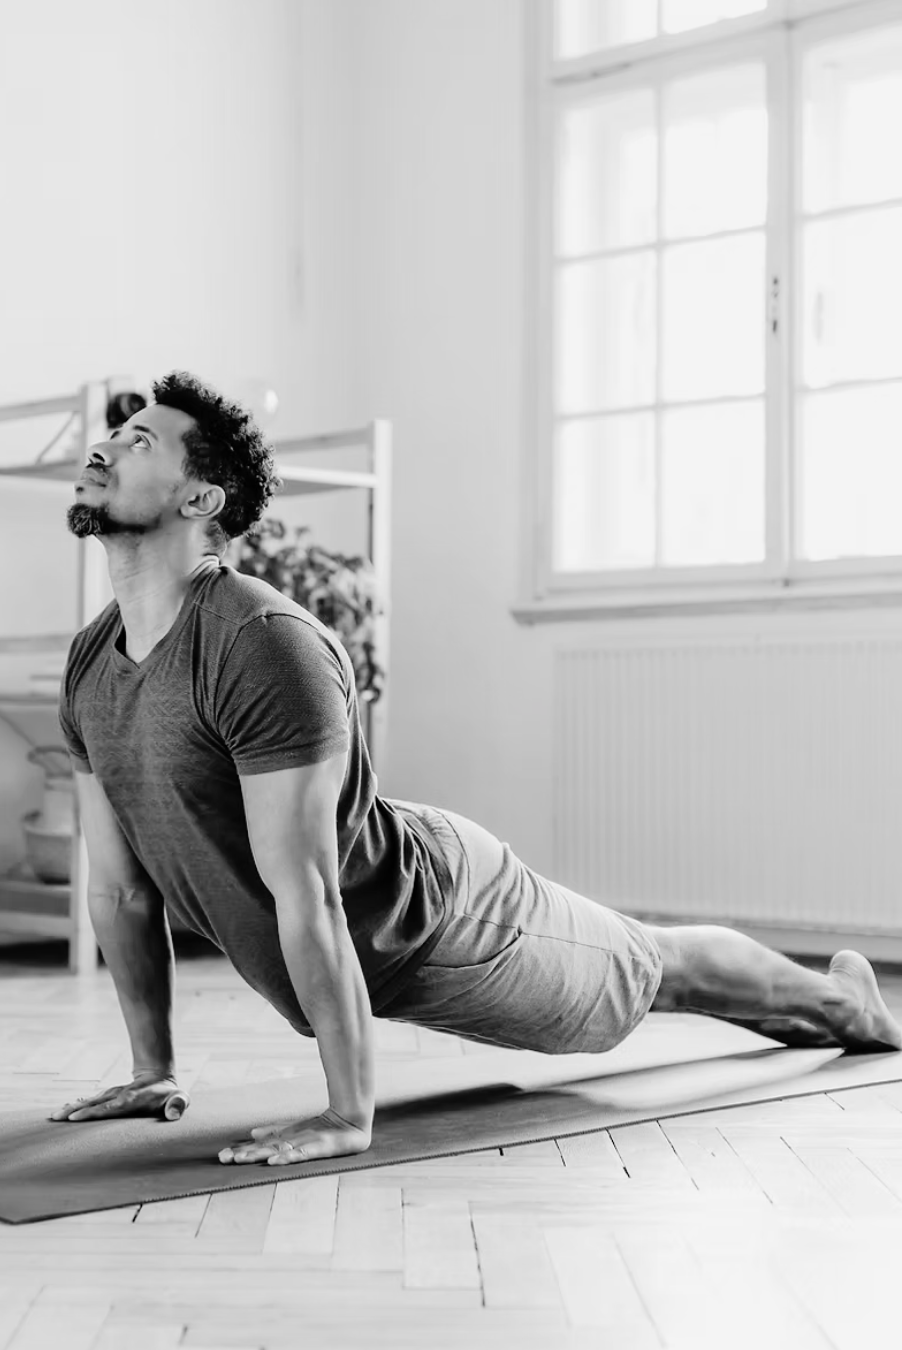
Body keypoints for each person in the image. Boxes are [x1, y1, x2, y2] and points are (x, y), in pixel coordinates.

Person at [49, 369, 902, 1168]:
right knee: (652, 971)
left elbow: (307, 892)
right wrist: (152, 1068)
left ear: (202, 499)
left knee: (644, 974)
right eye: (117, 433)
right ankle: (810, 1005)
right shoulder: (93, 662)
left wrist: (348, 1116)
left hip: (450, 924)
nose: (107, 446)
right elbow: (122, 891)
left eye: (140, 441)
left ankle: (842, 1004)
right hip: (389, 920)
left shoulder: (259, 645)